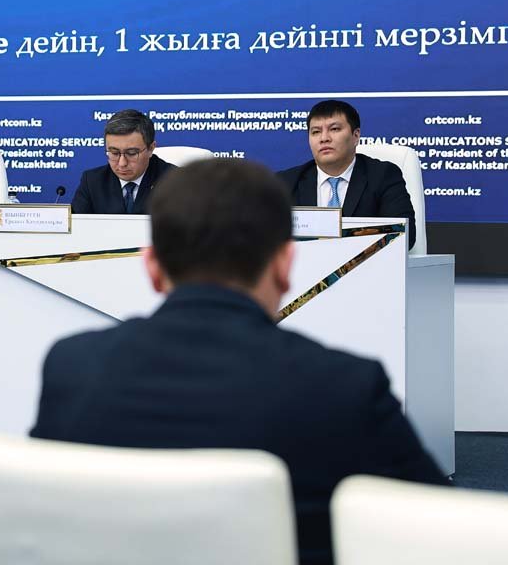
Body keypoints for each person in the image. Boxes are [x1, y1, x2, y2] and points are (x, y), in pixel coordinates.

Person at [32, 159, 444, 565]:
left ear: (152, 267)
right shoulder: (346, 387)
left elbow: (42, 525)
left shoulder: (72, 368)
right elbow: (438, 535)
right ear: (285, 266)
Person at [278, 99, 417, 248]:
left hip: (367, 261)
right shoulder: (286, 182)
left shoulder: (383, 176)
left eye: (334, 129)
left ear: (356, 136)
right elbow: (268, 239)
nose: (324, 138)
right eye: (316, 132)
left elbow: (403, 237)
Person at [70, 109, 175, 214]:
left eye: (132, 153)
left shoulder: (174, 181)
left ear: (151, 148)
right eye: (114, 153)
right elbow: (76, 222)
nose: (122, 163)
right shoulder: (92, 181)